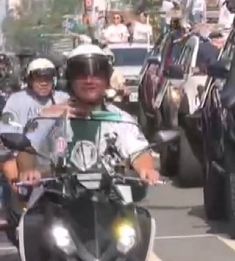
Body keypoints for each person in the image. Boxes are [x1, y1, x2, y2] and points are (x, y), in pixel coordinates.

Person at [15, 45, 159, 185]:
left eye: (98, 74)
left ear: (107, 79)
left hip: (109, 197)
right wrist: (28, 171)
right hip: (57, 197)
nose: (89, 80)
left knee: (135, 210)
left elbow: (138, 151)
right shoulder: (49, 115)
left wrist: (146, 169)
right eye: (81, 74)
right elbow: (27, 149)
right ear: (69, 79)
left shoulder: (120, 119)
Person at [0, 58, 70, 186]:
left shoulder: (64, 99)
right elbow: (7, 127)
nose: (43, 83)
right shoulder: (16, 100)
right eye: (39, 79)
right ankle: (26, 204)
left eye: (47, 79)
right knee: (11, 166)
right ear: (30, 80)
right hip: (26, 154)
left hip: (59, 155)